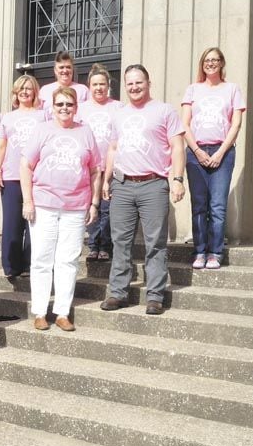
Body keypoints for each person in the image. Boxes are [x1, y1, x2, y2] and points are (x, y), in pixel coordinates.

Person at [100, 64, 186, 315]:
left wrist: (178, 179)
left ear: (149, 83)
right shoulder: (119, 114)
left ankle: (155, 296)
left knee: (155, 243)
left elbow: (178, 147)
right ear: (124, 86)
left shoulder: (165, 111)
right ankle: (117, 293)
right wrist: (107, 180)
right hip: (123, 184)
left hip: (153, 184)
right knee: (120, 242)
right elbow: (113, 149)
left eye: (139, 82)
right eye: (130, 83)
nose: (134, 87)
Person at [21, 87, 101, 331]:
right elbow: (26, 165)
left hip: (76, 206)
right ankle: (40, 311)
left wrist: (94, 202)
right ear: (52, 107)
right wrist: (28, 201)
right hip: (44, 203)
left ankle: (63, 312)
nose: (64, 108)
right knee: (42, 259)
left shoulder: (85, 132)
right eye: (60, 104)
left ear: (76, 108)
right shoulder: (42, 130)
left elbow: (95, 169)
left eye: (69, 104)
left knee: (68, 260)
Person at [182, 47, 245, 269]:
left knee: (217, 206)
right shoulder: (192, 90)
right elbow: (185, 124)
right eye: (207, 60)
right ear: (202, 64)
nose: (211, 63)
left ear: (221, 63)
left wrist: (220, 153)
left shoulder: (232, 89)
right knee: (199, 205)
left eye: (215, 60)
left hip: (223, 152)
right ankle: (199, 251)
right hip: (195, 152)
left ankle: (215, 253)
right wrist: (198, 151)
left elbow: (236, 124)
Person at [0, 74, 46, 278]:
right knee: (11, 223)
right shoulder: (8, 117)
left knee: (33, 222)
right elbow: (1, 145)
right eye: (21, 89)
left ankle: (29, 264)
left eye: (29, 88)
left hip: (37, 175)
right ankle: (11, 266)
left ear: (35, 91)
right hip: (11, 175)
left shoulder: (44, 116)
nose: (25, 92)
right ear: (16, 93)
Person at [77, 64, 123, 261]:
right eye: (95, 84)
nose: (98, 88)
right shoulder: (81, 109)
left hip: (111, 166)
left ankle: (106, 245)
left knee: (107, 208)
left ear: (108, 85)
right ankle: (93, 244)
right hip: (89, 167)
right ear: (89, 86)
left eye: (102, 84)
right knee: (91, 206)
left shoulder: (118, 107)